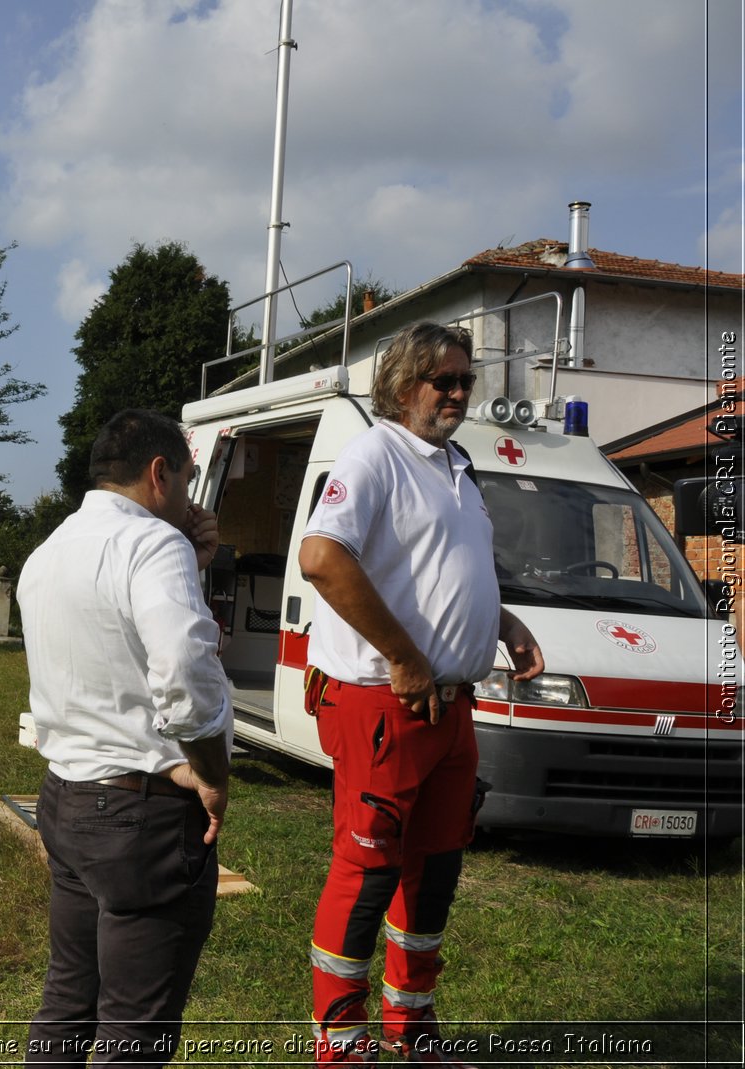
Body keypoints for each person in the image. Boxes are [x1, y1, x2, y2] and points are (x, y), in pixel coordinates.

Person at [299, 322, 544, 1066]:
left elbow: (443, 569)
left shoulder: (456, 465)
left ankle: (414, 1036)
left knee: (434, 874)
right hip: (384, 699)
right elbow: (320, 555)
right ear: (405, 385)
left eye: (467, 380)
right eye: (447, 380)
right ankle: (342, 1045)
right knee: (369, 872)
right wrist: (403, 655)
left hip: (450, 705)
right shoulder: (377, 452)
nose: (461, 393)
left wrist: (502, 622)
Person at [17, 408, 234, 1067]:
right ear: (159, 472)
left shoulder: (49, 550)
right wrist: (212, 771)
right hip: (142, 817)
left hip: (68, 799)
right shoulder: (152, 545)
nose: (193, 499)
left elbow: (122, 647)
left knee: (68, 1002)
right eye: (189, 479)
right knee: (133, 1034)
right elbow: (182, 665)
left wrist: (192, 561)